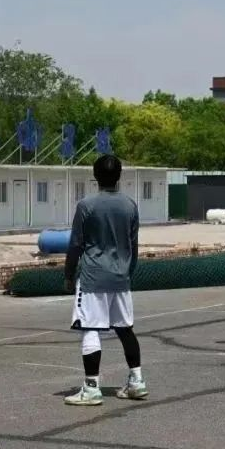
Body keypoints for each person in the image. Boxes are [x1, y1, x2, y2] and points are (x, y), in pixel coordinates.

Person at [63, 155, 146, 406]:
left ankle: (91, 388)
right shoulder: (130, 205)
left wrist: (68, 274)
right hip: (121, 276)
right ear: (119, 176)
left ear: (95, 176)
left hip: (93, 277)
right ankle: (136, 381)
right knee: (125, 328)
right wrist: (128, 272)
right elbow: (133, 245)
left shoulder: (86, 205)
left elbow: (76, 244)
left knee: (89, 327)